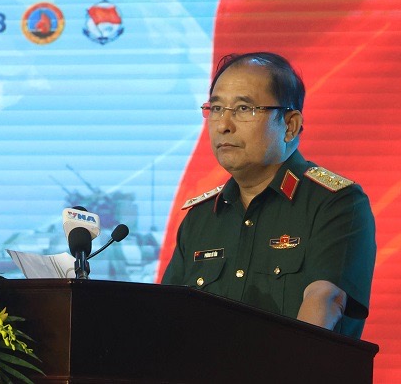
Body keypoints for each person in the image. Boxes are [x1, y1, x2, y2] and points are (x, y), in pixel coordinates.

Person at [161, 51, 376, 338]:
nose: (224, 125)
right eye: (216, 108)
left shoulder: (336, 204)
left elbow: (325, 300)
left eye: (243, 108)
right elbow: (166, 316)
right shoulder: (202, 217)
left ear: (290, 125)